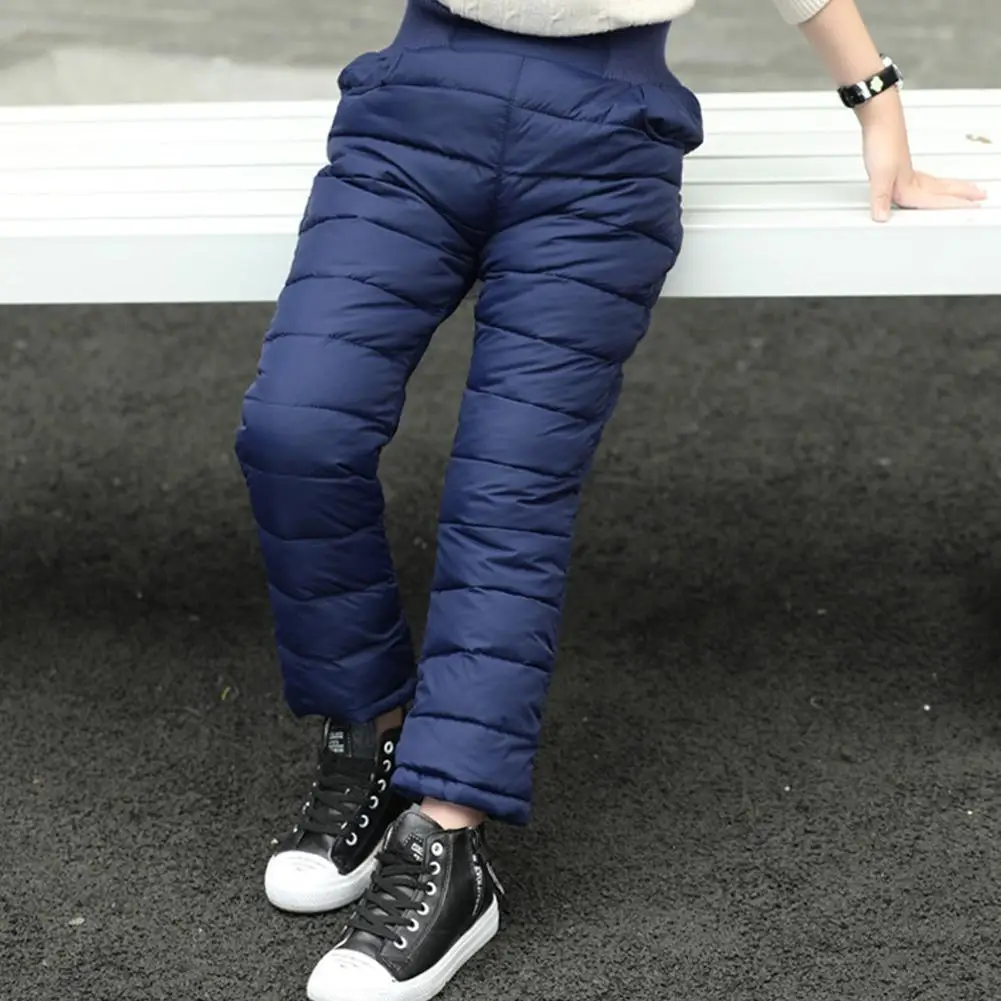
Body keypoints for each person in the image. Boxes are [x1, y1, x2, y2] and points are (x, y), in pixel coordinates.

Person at [235, 1, 986, 999]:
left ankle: (447, 839)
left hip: (600, 141)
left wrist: (874, 102)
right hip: (415, 109)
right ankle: (370, 729)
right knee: (295, 430)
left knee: (508, 488)